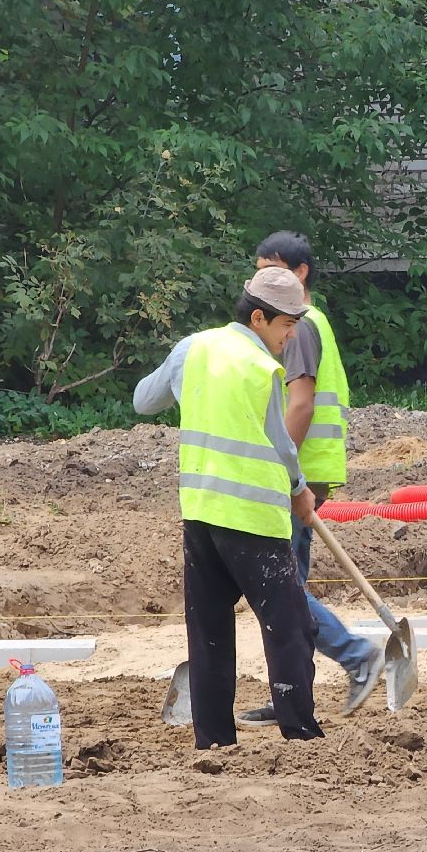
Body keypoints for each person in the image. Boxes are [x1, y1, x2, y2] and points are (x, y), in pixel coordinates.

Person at [133, 267, 325, 749]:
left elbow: (143, 401)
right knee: (289, 624)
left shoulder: (192, 349)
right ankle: (300, 732)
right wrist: (300, 489)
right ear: (259, 318)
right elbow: (281, 445)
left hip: (200, 513)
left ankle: (214, 739)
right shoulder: (260, 368)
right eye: (286, 326)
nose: (290, 336)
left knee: (209, 630)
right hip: (252, 517)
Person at [235, 231, 385, 727]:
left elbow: (300, 403)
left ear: (300, 275)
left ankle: (355, 653)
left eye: (271, 270)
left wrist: (285, 475)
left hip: (300, 470)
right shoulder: (306, 322)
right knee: (286, 581)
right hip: (310, 469)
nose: (261, 280)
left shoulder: (297, 327)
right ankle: (291, 695)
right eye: (257, 270)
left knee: (280, 586)